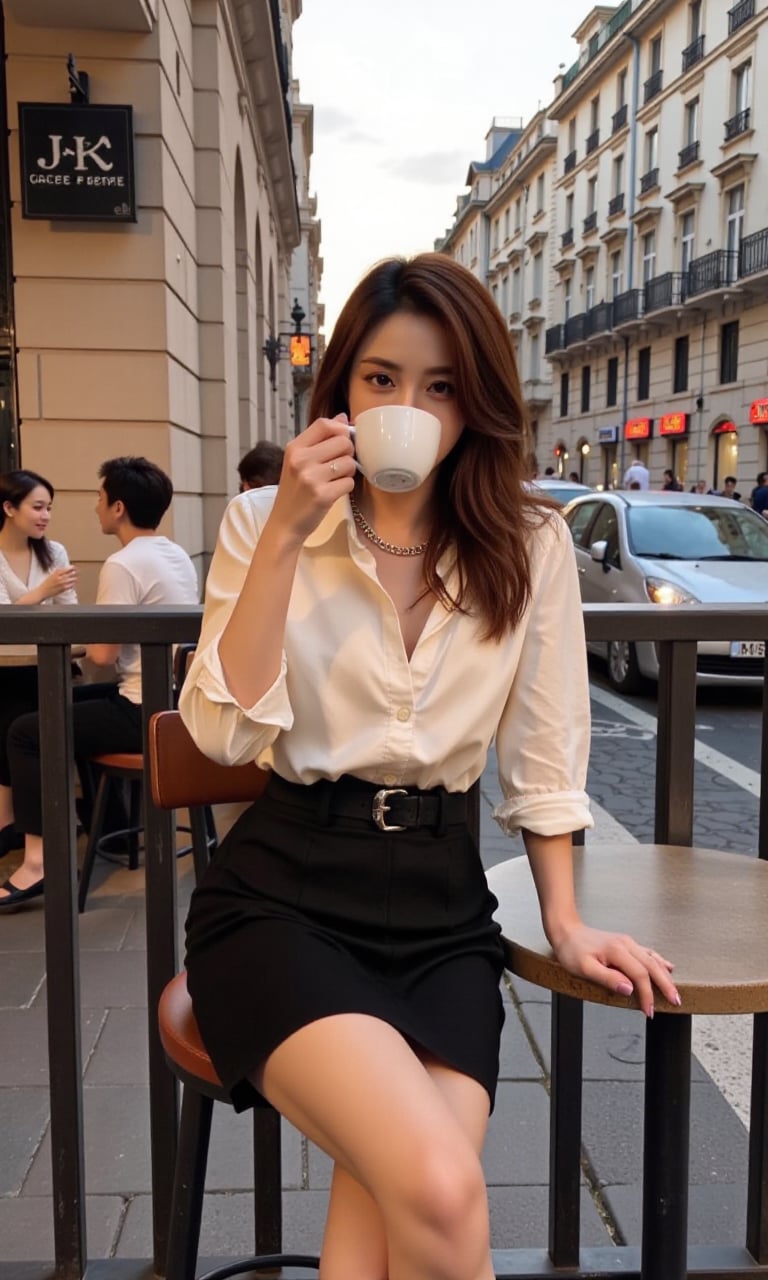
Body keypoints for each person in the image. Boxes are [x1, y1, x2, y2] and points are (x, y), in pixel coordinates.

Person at [177, 253, 679, 1280]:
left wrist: (568, 917)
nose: (409, 406)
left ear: (477, 403)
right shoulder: (260, 520)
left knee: (401, 1204)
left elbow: (543, 747)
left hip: (444, 914)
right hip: (284, 894)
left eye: (441, 386)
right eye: (381, 380)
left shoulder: (526, 540)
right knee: (443, 1189)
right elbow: (225, 734)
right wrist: (283, 536)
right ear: (343, 393)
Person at [0, 456, 199, 908]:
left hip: (142, 711)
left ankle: (38, 863)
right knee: (58, 710)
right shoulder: (175, 553)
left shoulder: (124, 563)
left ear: (118, 509)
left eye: (99, 498)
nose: (94, 506)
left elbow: (103, 656)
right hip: (173, 702)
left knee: (26, 731)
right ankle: (107, 826)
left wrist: (87, 639)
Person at [0, 470, 78, 859]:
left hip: (43, 664)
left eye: (49, 507)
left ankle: (19, 823)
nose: (45, 515)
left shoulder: (54, 551)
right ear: (9, 508)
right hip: (5, 667)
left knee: (23, 726)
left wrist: (50, 596)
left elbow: (70, 611)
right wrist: (45, 590)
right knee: (12, 721)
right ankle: (13, 822)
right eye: (37, 507)